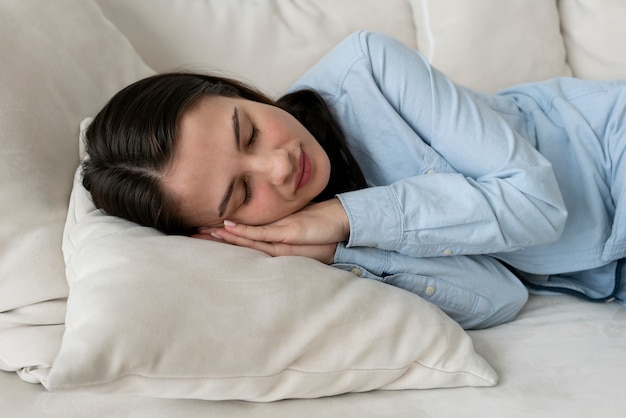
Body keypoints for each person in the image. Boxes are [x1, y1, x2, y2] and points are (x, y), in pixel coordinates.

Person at [82, 31, 626, 329]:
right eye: (243, 194)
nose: (278, 166)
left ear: (237, 91)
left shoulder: (370, 69)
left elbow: (537, 203)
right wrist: (337, 247)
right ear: (219, 229)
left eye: (247, 132)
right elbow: (503, 296)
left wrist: (348, 214)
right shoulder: (314, 246)